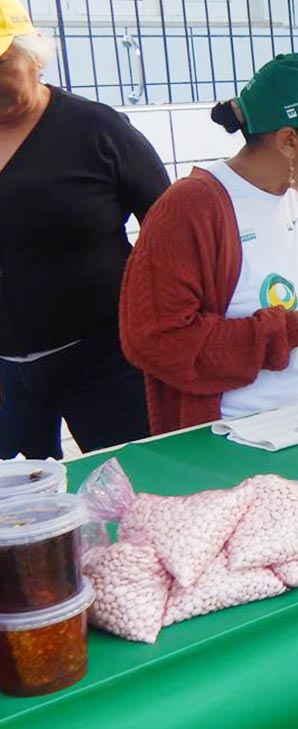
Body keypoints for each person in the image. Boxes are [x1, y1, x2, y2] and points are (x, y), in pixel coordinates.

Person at [119, 53, 298, 434]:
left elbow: (286, 297)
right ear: (288, 142)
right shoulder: (191, 206)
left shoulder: (288, 193)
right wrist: (291, 331)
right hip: (240, 440)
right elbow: (156, 340)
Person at [0, 0, 170, 459]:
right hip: (6, 375)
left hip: (105, 360)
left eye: (0, 63)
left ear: (33, 55)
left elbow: (167, 225)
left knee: (136, 486)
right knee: (18, 511)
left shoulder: (95, 129)